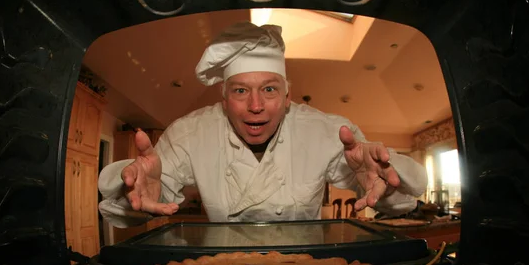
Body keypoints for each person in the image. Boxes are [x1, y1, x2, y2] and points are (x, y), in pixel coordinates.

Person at [97, 21, 427, 228]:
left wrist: (385, 180)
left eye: (269, 89)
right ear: (224, 98)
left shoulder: (326, 132)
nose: (256, 106)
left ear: (287, 96)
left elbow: (399, 200)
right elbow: (128, 206)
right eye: (241, 90)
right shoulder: (190, 133)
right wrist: (135, 194)